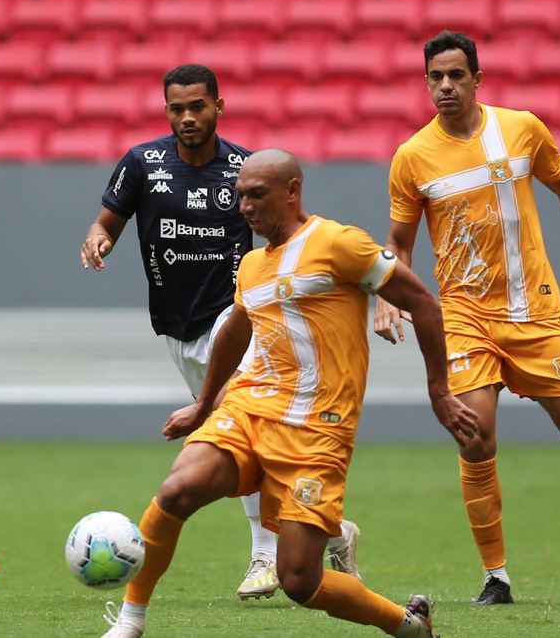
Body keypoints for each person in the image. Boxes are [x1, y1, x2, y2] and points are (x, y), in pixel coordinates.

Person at [99, 149, 479, 638]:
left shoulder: (339, 244)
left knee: (300, 580)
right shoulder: (252, 265)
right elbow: (234, 333)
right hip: (250, 408)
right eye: (240, 197)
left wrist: (440, 392)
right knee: (177, 491)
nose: (245, 207)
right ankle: (130, 621)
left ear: (292, 190)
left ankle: (407, 626)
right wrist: (203, 405)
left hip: (317, 429)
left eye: (257, 195)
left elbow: (423, 302)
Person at [374, 30, 560, 606]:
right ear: (426, 83)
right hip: (465, 317)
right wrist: (387, 291)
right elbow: (399, 241)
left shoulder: (521, 128)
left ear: (477, 78)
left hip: (534, 312)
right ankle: (497, 576)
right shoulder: (412, 157)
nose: (446, 86)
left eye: (456, 75)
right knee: (475, 437)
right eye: (436, 77)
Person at [80, 64, 362, 600]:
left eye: (198, 106)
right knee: (245, 441)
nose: (188, 117)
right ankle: (331, 533)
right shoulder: (141, 164)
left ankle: (264, 555)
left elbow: (285, 231)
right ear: (166, 111)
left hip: (235, 320)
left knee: (239, 430)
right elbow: (106, 221)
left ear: (218, 106)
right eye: (177, 108)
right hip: (178, 328)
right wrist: (98, 239)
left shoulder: (243, 169)